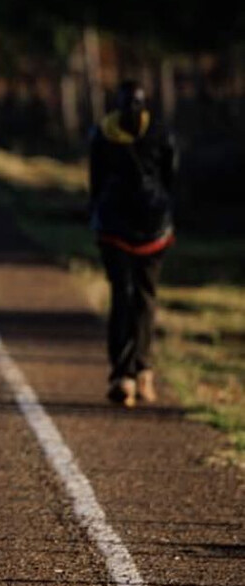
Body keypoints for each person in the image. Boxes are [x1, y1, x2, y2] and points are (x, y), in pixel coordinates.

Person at [88, 80, 177, 407]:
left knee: (129, 297)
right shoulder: (159, 133)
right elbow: (170, 180)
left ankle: (131, 372)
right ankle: (135, 372)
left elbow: (96, 183)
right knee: (138, 298)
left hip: (128, 228)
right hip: (143, 229)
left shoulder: (104, 134)